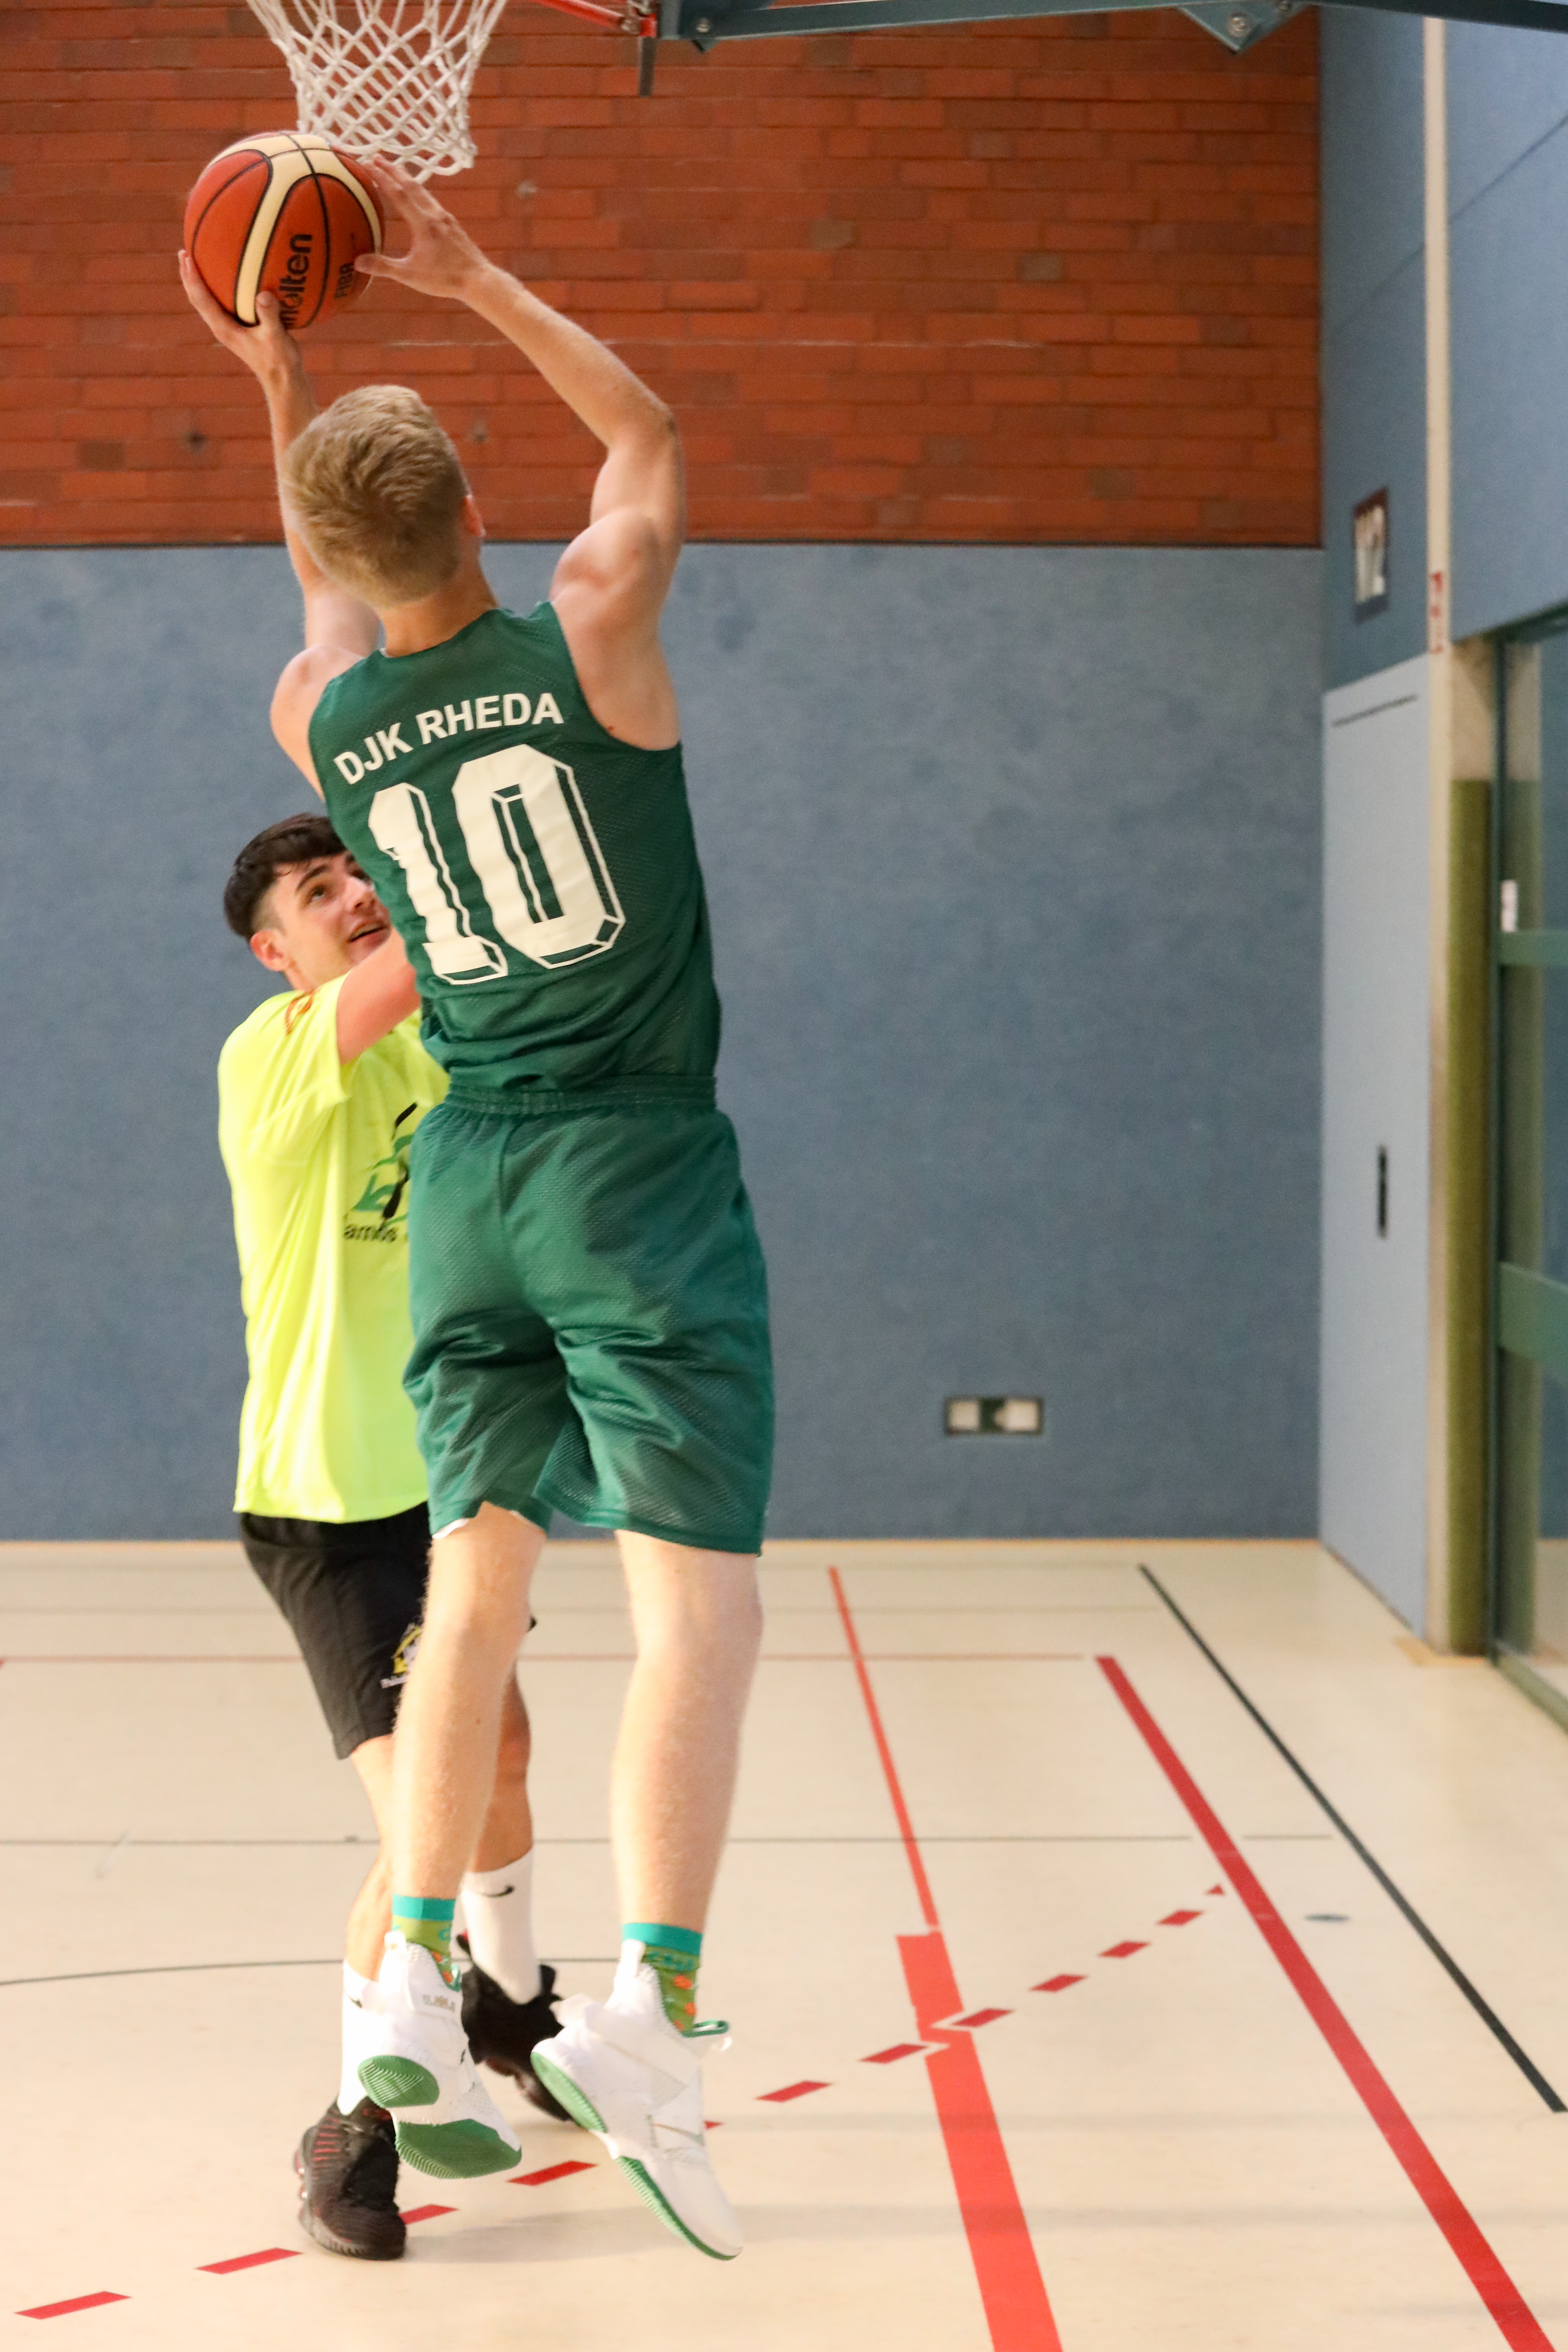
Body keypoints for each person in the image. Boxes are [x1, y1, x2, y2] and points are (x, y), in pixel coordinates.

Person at [182, 158, 772, 2264]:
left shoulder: (331, 724)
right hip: (632, 1160)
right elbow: (648, 434)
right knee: (696, 1602)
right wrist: (473, 273)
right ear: (473, 513)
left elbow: (325, 608)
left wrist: (281, 379)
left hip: (477, 1182)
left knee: (483, 1589)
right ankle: (652, 2015)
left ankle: (413, 1982)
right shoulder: (593, 627)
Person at [217, 813, 570, 2261]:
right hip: (332, 1504)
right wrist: (445, 815)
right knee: (428, 1805)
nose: (356, 896)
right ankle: (355, 2126)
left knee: (503, 1758)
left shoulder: (453, 1051)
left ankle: (509, 2002)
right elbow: (428, 953)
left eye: (360, 871)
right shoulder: (275, 1052)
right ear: (275, 951)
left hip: (454, 1480)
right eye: (322, 891)